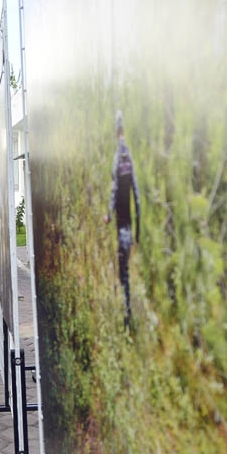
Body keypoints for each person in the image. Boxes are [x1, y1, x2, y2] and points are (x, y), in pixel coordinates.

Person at [103, 110, 141, 326]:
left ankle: (127, 316)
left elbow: (114, 191)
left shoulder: (118, 158)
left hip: (121, 227)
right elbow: (138, 198)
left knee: (123, 271)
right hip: (130, 226)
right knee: (126, 270)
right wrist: (139, 234)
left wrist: (108, 215)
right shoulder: (129, 159)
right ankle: (128, 312)